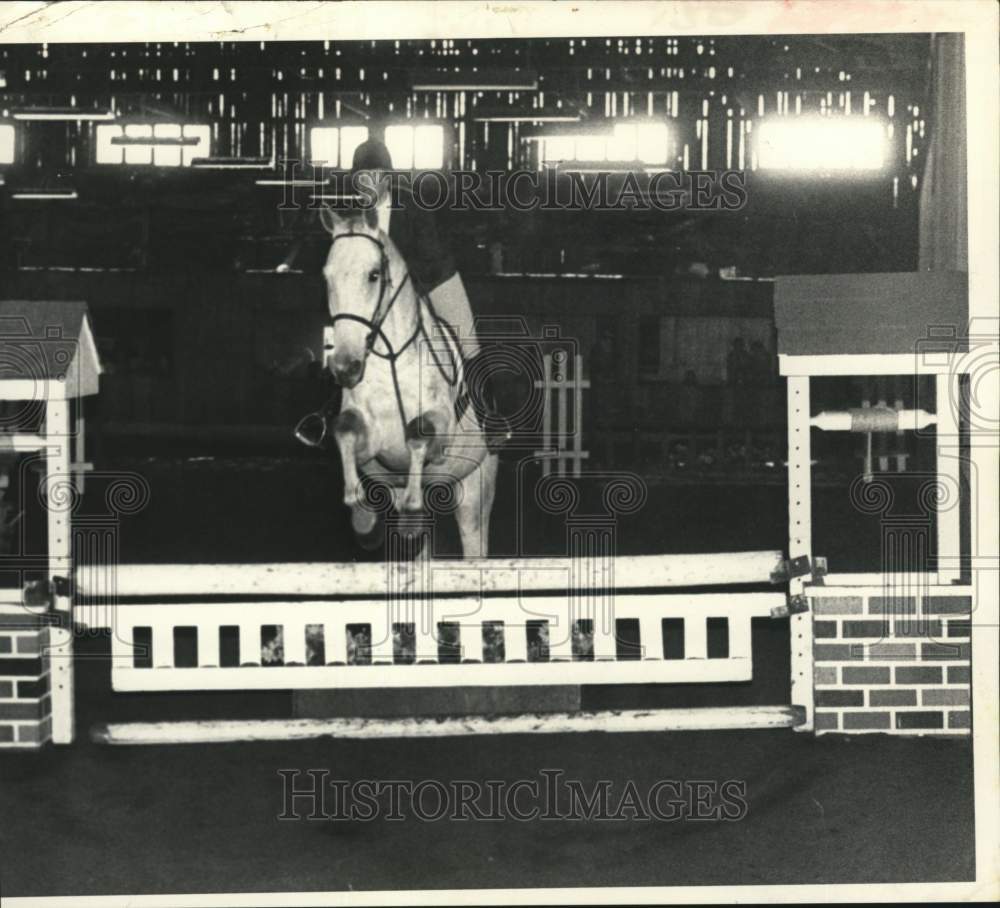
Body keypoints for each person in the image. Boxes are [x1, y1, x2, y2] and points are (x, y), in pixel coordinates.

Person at [295, 138, 511, 450]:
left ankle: (489, 417)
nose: (368, 184)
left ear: (388, 178)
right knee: (348, 345)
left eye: (375, 176)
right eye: (361, 178)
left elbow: (430, 258)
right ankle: (323, 414)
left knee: (468, 340)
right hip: (381, 295)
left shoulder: (414, 207)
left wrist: (402, 293)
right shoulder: (350, 214)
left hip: (434, 280)